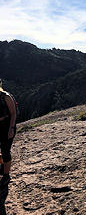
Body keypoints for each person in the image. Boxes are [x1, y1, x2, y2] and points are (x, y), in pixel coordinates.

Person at [0, 79, 16, 215]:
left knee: (5, 152)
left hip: (6, 127)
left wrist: (11, 128)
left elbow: (13, 114)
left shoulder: (6, 96)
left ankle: (6, 175)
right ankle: (2, 168)